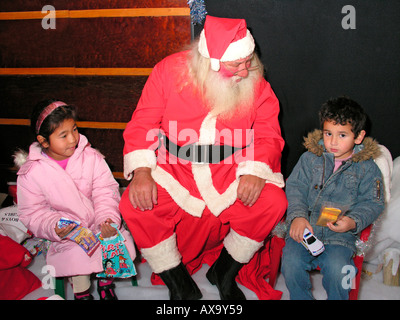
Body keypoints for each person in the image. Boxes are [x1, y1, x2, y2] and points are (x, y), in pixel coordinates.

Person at [119, 15, 287, 300]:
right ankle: (180, 285)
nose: (246, 72)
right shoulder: (168, 71)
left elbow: (268, 132)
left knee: (272, 201)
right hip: (175, 169)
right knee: (133, 205)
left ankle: (224, 272)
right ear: (210, 61)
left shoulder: (252, 76)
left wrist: (255, 170)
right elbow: (142, 123)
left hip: (230, 170)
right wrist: (143, 172)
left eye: (249, 61)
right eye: (237, 64)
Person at [15, 99, 136, 300]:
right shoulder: (32, 173)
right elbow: (32, 212)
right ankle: (82, 293)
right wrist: (55, 226)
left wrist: (107, 218)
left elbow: (105, 190)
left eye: (74, 129)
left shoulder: (91, 158)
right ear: (44, 141)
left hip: (99, 221)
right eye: (63, 135)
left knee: (113, 243)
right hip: (68, 234)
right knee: (77, 257)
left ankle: (106, 282)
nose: (73, 139)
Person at [281, 96, 386, 300]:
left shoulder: (367, 168)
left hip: (340, 235)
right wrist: (298, 216)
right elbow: (295, 188)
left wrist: (353, 221)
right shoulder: (310, 159)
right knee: (291, 264)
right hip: (305, 229)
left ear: (358, 136)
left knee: (341, 271)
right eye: (328, 133)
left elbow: (373, 202)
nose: (333, 142)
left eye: (342, 135)